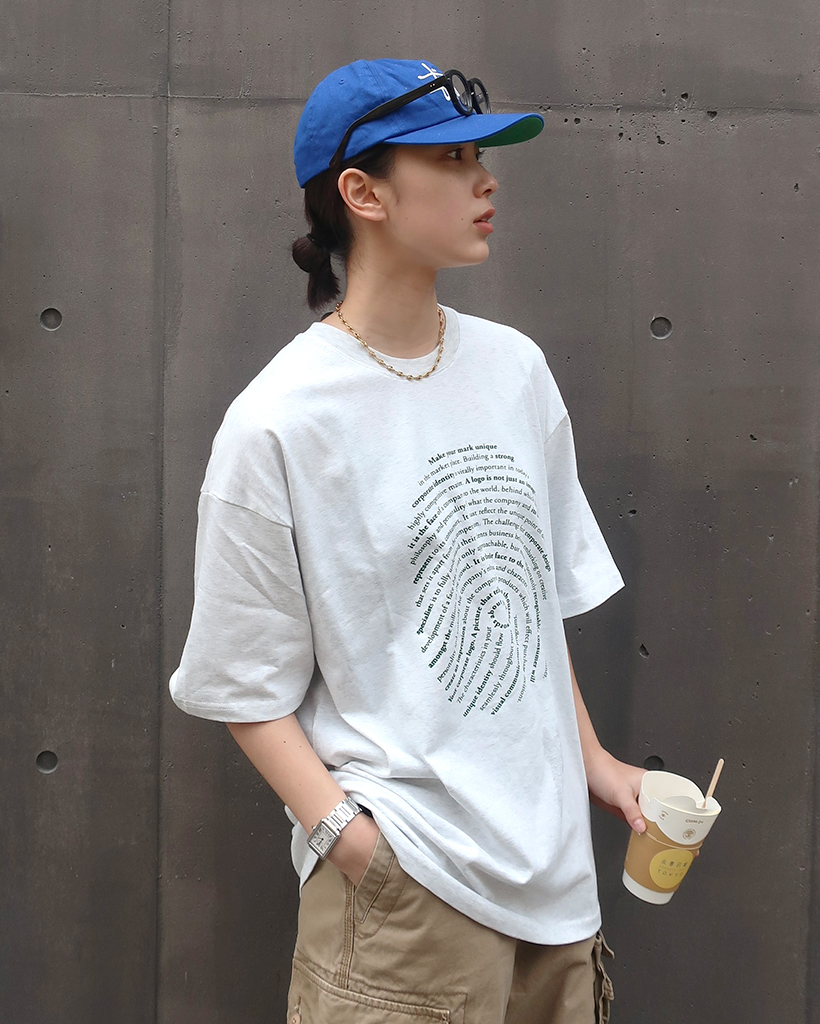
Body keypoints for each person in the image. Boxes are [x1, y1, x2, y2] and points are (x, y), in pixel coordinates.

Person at [169, 58, 647, 1024]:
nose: (487, 180)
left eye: (482, 157)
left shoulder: (515, 371)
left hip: (559, 894)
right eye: (452, 158)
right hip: (407, 898)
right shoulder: (280, 420)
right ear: (363, 193)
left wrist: (595, 762)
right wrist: (356, 845)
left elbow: (522, 604)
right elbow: (240, 684)